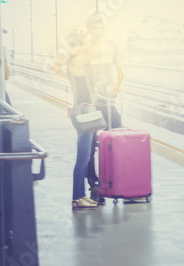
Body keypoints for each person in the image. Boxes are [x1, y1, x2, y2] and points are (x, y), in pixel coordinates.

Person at [71, 12, 129, 203]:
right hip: (91, 104)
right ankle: (93, 182)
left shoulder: (111, 46)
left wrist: (116, 86)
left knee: (117, 141)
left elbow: (120, 72)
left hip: (108, 102)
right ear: (89, 29)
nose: (98, 31)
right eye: (94, 28)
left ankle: (114, 179)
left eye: (100, 27)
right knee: (89, 148)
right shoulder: (85, 49)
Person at [52, 28, 100, 211]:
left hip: (83, 109)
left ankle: (79, 196)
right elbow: (93, 52)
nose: (74, 48)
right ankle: (78, 197)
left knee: (85, 155)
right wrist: (86, 40)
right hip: (84, 110)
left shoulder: (72, 63)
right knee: (83, 157)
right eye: (72, 45)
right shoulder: (78, 61)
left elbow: (56, 67)